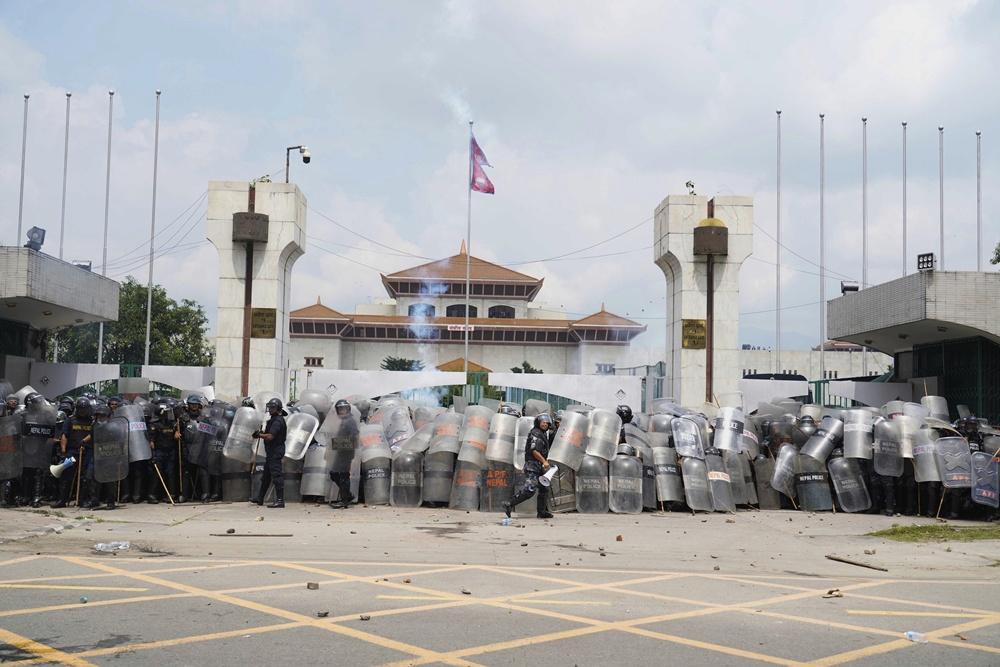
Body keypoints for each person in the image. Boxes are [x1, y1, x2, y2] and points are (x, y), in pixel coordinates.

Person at [502, 412, 554, 520]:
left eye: (546, 423)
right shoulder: (536, 433)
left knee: (544, 488)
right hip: (532, 466)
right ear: (538, 423)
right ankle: (509, 504)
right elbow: (534, 451)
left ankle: (541, 512)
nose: (545, 424)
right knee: (530, 489)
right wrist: (544, 462)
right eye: (543, 422)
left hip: (539, 466)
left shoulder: (542, 433)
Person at [53, 397, 95, 509]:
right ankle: (62, 500)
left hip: (87, 451)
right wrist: (63, 450)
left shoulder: (92, 421)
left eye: (84, 409)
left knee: (85, 476)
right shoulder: (70, 420)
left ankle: (82, 500)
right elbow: (64, 435)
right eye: (81, 409)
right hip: (72, 451)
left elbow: (93, 434)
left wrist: (84, 442)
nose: (83, 411)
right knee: (66, 475)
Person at [251, 397, 287, 508]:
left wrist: (259, 435)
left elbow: (271, 436)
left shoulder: (277, 421)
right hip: (271, 452)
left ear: (278, 409)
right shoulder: (273, 420)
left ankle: (280, 501)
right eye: (269, 407)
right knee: (266, 477)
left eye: (272, 407)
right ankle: (260, 499)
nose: (270, 409)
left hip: (275, 452)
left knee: (277, 476)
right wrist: (261, 433)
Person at [328, 399, 356, 509]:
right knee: (334, 474)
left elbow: (353, 438)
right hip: (340, 452)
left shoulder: (350, 421)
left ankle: (345, 500)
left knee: (344, 476)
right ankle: (348, 495)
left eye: (343, 409)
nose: (342, 411)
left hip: (346, 453)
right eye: (340, 409)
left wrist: (337, 444)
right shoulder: (344, 421)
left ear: (348, 409)